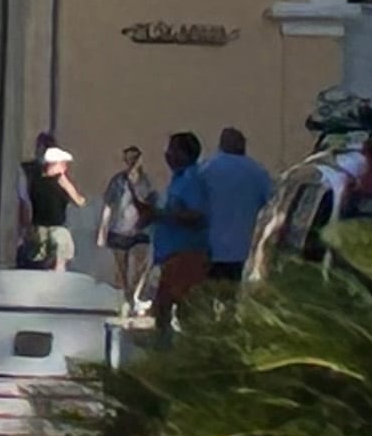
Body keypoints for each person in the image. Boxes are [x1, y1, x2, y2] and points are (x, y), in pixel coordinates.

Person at [196, 124, 278, 286]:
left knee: (212, 294)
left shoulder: (205, 170)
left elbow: (196, 205)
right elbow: (273, 204)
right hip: (246, 249)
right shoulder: (257, 171)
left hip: (211, 250)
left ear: (221, 144)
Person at [147, 131, 212, 319]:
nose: (167, 154)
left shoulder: (192, 180)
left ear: (185, 153)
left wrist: (161, 214)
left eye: (172, 150)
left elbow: (197, 215)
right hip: (171, 257)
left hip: (186, 256)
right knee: (161, 311)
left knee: (181, 311)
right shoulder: (178, 179)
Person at [97, 145, 155, 310]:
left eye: (135, 158)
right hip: (119, 229)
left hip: (140, 229)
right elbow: (108, 205)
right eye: (129, 158)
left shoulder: (145, 181)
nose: (132, 162)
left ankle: (134, 295)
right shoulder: (118, 181)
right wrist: (103, 230)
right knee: (121, 269)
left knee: (141, 265)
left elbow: (151, 204)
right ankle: (125, 298)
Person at [20, 135, 85, 269]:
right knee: (56, 261)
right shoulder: (58, 181)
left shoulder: (34, 177)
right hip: (53, 227)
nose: (65, 167)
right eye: (63, 163)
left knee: (44, 261)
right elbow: (79, 201)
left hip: (42, 227)